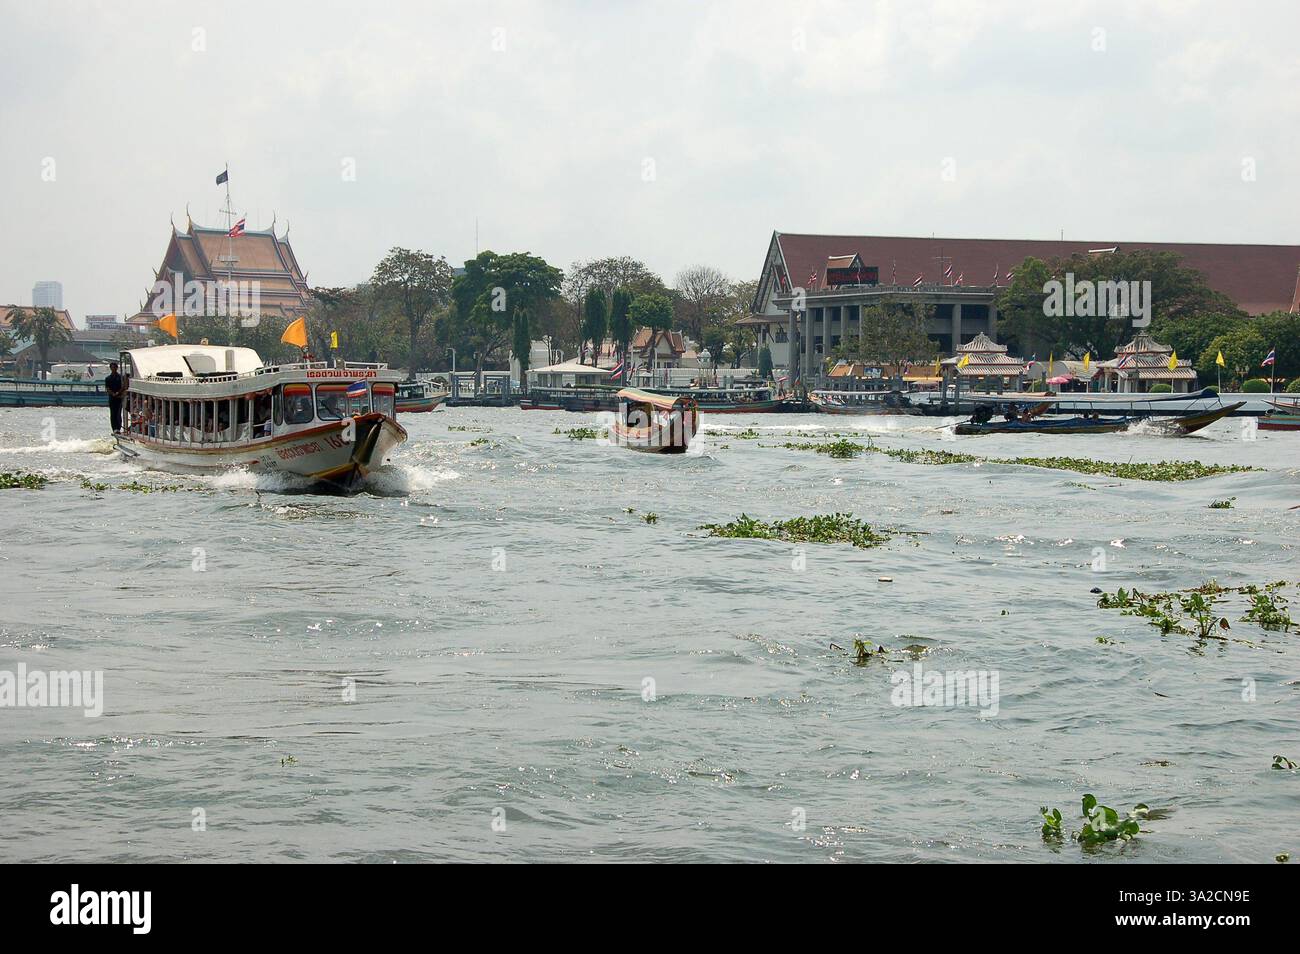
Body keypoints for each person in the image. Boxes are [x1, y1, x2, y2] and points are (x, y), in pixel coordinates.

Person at [104, 361, 126, 433]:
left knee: (118, 413)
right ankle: (114, 428)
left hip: (119, 398)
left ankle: (118, 428)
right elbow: (107, 388)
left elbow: (123, 387)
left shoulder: (120, 378)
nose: (113, 369)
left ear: (117, 368)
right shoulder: (108, 378)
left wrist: (118, 393)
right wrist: (113, 394)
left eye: (114, 367)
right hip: (112, 398)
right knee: (112, 414)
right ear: (110, 368)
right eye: (112, 367)